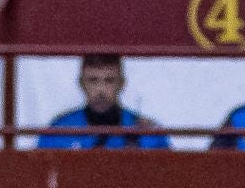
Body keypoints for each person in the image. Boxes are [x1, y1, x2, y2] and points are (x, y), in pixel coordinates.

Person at [37, 55, 171, 150]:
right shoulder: (59, 131)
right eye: (93, 80)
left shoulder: (147, 133)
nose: (101, 90)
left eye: (109, 81)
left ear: (121, 84)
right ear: (81, 83)